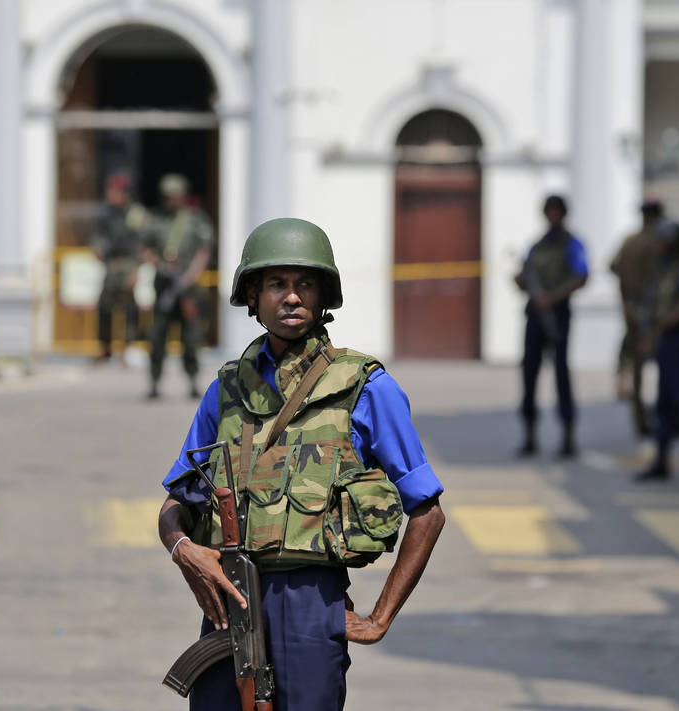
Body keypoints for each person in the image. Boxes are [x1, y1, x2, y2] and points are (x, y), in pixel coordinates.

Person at [157, 218, 446, 710]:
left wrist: (380, 618)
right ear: (253, 295)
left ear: (323, 296)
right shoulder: (225, 391)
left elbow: (428, 512)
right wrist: (184, 547)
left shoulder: (364, 387)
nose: (291, 297)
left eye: (304, 284)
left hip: (312, 600)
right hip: (231, 598)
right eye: (276, 284)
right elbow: (175, 503)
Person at [514, 195, 589, 458]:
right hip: (536, 315)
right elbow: (525, 275)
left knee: (561, 374)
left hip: (557, 315)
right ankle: (529, 435)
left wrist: (552, 299)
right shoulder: (537, 246)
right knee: (529, 373)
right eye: (549, 211)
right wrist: (522, 282)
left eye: (557, 211)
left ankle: (568, 437)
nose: (553, 216)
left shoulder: (572, 244)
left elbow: (581, 276)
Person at [634, 219, 679, 485]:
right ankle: (661, 461)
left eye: (662, 241)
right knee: (663, 401)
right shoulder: (662, 270)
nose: (658, 246)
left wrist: (660, 329)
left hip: (678, 338)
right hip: (664, 340)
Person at [144, 173, 213, 399]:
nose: (168, 200)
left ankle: (193, 382)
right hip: (164, 288)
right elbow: (144, 248)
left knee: (191, 339)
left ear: (182, 196)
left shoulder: (195, 220)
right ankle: (154, 383)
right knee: (157, 337)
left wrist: (190, 277)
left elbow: (204, 251)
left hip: (188, 291)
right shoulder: (155, 219)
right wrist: (158, 263)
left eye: (172, 196)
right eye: (165, 196)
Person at [610, 199, 664, 437]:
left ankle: (640, 418)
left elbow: (613, 266)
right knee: (666, 365)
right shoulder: (659, 243)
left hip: (631, 307)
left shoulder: (630, 242)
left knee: (637, 367)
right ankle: (663, 419)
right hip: (654, 311)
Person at [92, 173, 147, 363]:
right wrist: (97, 247)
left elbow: (143, 243)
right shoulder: (107, 213)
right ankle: (104, 347)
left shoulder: (136, 214)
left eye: (113, 191)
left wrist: (136, 270)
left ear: (124, 193)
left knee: (129, 309)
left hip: (129, 264)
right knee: (104, 306)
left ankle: (128, 348)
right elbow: (99, 235)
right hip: (111, 264)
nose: (109, 194)